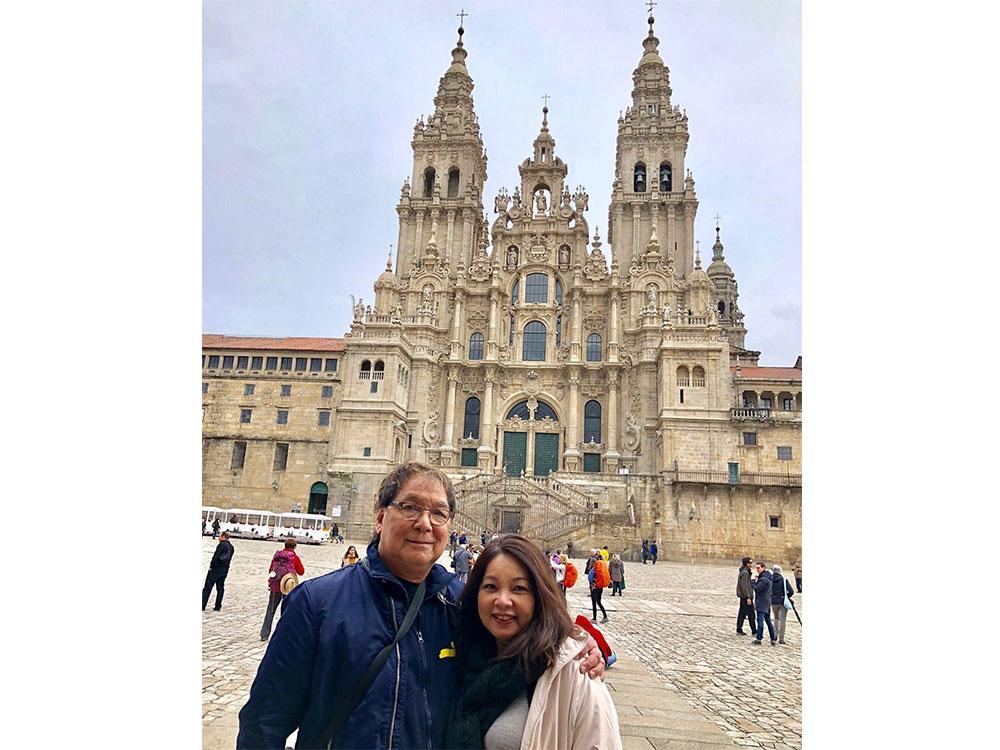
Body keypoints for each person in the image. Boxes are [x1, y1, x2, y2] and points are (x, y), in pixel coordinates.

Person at [237, 462, 605, 749]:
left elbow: (527, 639)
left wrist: (580, 643)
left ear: (449, 524)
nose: (424, 524)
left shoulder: (461, 605)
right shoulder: (316, 604)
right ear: (380, 517)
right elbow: (263, 725)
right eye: (410, 507)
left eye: (439, 514)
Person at [446, 535, 623, 750]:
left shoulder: (577, 672)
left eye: (519, 588)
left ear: (539, 596)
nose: (502, 600)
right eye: (491, 586)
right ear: (476, 593)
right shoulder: (462, 651)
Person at [260, 539, 305, 642]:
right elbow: (301, 571)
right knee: (286, 612)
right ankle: (283, 635)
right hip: (287, 588)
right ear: (294, 547)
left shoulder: (277, 556)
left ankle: (264, 634)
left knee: (270, 611)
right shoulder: (294, 557)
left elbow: (270, 570)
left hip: (275, 587)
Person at [202, 532, 234, 611]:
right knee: (220, 588)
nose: (218, 538)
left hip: (216, 569)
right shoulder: (231, 547)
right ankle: (218, 606)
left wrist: (211, 566)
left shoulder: (221, 545)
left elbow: (215, 557)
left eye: (220, 536)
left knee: (208, 587)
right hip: (225, 569)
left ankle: (202, 604)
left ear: (223, 537)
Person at [750, 561, 777, 646]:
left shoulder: (764, 579)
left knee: (760, 621)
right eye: (756, 568)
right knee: (768, 620)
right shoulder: (766, 577)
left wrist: (753, 581)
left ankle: (759, 638)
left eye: (758, 568)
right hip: (766, 601)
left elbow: (757, 589)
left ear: (763, 568)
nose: (757, 569)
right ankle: (773, 638)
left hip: (762, 602)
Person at [770, 564, 794, 645]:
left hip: (773, 602)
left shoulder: (770, 580)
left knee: (776, 618)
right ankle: (781, 638)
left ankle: (775, 635)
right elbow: (791, 591)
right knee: (783, 620)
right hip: (782, 602)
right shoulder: (783, 580)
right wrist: (787, 596)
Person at [588, 553, 610, 623]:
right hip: (600, 586)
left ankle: (594, 618)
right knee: (599, 602)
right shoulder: (604, 566)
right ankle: (605, 616)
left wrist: (591, 583)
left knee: (594, 602)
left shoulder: (596, 567)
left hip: (594, 586)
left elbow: (590, 577)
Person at [736, 556, 755, 635]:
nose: (751, 564)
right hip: (746, 597)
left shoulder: (744, 572)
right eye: (750, 563)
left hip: (744, 597)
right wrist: (748, 597)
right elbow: (744, 586)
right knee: (751, 614)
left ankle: (739, 628)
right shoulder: (745, 573)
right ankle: (754, 630)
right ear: (746, 564)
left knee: (742, 613)